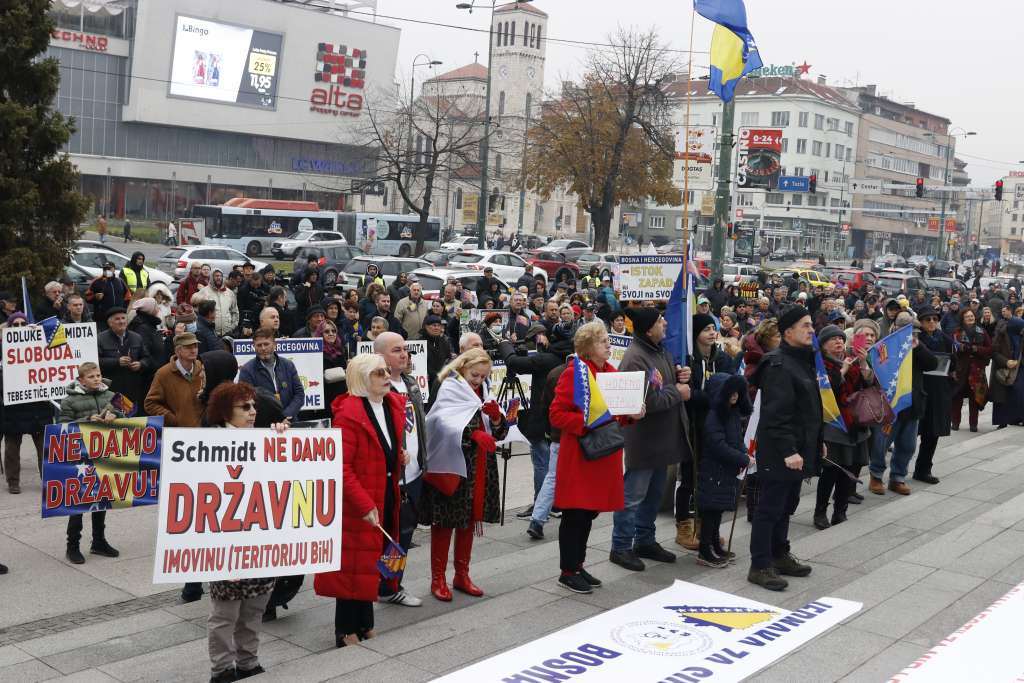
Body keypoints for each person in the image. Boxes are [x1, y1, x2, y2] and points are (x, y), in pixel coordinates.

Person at [314, 353, 406, 646]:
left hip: (384, 494)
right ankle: (346, 630)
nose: (386, 376)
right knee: (351, 566)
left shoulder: (391, 405)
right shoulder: (350, 413)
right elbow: (341, 467)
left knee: (370, 563)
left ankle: (366, 623)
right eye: (379, 373)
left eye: (386, 371)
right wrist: (364, 503)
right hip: (359, 502)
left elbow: (385, 448)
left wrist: (398, 458)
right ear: (363, 379)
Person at [549, 322, 643, 594]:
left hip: (603, 455)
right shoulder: (574, 374)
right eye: (602, 341)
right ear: (588, 347)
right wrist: (589, 421)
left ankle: (578, 565)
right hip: (581, 456)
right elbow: (557, 415)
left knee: (589, 514)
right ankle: (567, 571)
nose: (608, 344)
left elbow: (616, 413)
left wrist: (631, 414)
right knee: (575, 515)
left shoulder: (609, 372)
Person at [204, 381, 286, 682]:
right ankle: (223, 669)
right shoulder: (208, 443)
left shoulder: (265, 438)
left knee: (254, 609)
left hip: (260, 540)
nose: (253, 412)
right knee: (225, 614)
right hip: (226, 542)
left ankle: (248, 662)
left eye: (254, 406)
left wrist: (281, 442)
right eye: (245, 407)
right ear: (227, 411)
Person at [421, 349, 508, 601]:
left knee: (469, 520)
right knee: (445, 523)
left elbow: (499, 432)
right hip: (453, 466)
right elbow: (440, 422)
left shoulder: (485, 391)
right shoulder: (450, 388)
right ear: (463, 368)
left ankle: (462, 574)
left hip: (479, 466)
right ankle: (438, 578)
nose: (478, 380)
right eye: (474, 374)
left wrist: (497, 420)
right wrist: (472, 433)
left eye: (482, 376)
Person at [610, 308, 689, 571]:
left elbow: (662, 384)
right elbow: (647, 401)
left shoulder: (659, 350)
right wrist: (677, 392)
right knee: (633, 497)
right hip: (643, 441)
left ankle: (645, 540)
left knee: (654, 496)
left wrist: (679, 376)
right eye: (659, 321)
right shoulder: (636, 358)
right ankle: (620, 547)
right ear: (647, 329)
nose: (664, 323)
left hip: (662, 439)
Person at [748, 306, 820, 592]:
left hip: (798, 449)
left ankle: (780, 553)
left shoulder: (802, 360)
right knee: (769, 508)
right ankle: (760, 564)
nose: (811, 330)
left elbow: (808, 409)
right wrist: (790, 450)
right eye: (805, 325)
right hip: (781, 452)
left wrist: (817, 443)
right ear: (788, 331)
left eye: (811, 324)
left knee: (786, 506)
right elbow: (776, 416)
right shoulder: (778, 365)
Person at [374, 332, 427, 607]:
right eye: (396, 351)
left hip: (416, 472)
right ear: (380, 356)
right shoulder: (378, 389)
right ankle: (388, 586)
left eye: (405, 350)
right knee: (394, 533)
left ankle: (389, 582)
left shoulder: (410, 383)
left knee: (405, 533)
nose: (404, 355)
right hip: (395, 477)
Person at [57, 362, 123, 564]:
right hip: (80, 458)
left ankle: (99, 541)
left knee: (102, 498)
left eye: (98, 375)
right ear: (81, 380)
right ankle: (73, 546)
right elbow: (62, 427)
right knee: (78, 502)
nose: (96, 379)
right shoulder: (69, 401)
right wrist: (87, 419)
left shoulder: (111, 396)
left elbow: (128, 413)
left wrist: (116, 416)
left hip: (104, 454)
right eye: (91, 376)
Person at [868, 312, 938, 496]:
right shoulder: (887, 346)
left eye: (914, 332)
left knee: (908, 445)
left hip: (912, 404)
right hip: (890, 405)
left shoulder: (918, 347)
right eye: (907, 332)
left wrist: (918, 347)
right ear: (895, 329)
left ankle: (897, 477)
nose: (912, 335)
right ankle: (876, 475)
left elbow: (933, 363)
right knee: (881, 444)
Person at [813, 325, 873, 530]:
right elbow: (825, 390)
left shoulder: (852, 360)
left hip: (855, 423)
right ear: (823, 345)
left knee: (850, 470)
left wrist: (863, 362)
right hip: (834, 423)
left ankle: (841, 511)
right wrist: (843, 371)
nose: (839, 342)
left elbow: (868, 386)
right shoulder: (820, 365)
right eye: (833, 339)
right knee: (831, 471)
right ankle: (820, 512)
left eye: (841, 338)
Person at [677, 312, 724, 551]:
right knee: (689, 477)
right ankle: (683, 525)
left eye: (713, 328)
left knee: (707, 478)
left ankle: (703, 524)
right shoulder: (689, 362)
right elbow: (689, 395)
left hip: (714, 427)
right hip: (693, 426)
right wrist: (706, 397)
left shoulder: (719, 357)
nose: (712, 333)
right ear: (695, 334)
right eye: (706, 329)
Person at [697, 373, 753, 567]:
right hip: (714, 470)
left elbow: (736, 440)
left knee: (718, 509)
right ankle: (705, 548)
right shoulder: (715, 416)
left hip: (725, 470)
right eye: (731, 392)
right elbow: (717, 444)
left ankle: (714, 543)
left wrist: (745, 454)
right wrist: (742, 458)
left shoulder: (732, 414)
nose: (735, 395)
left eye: (738, 392)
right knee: (711, 511)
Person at [916, 307, 954, 485]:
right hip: (920, 388)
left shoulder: (945, 338)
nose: (931, 322)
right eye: (927, 319)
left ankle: (924, 469)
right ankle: (896, 472)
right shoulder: (916, 339)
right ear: (921, 322)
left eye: (934, 319)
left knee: (933, 433)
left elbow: (953, 362)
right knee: (910, 433)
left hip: (939, 390)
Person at [238, 328, 306, 421]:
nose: (263, 348)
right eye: (259, 345)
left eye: (266, 344)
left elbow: (299, 394)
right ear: (253, 346)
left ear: (274, 345)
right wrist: (277, 419)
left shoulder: (288, 365)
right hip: (263, 426)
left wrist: (286, 416)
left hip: (290, 422)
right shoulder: (247, 370)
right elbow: (246, 400)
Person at [96, 307, 152, 411]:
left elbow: (147, 358)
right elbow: (95, 362)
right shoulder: (100, 339)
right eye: (117, 319)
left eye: (123, 318)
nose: (121, 321)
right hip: (112, 390)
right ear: (110, 323)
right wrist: (117, 362)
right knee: (116, 421)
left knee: (132, 420)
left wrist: (141, 364)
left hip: (133, 388)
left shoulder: (137, 337)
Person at [951, 308, 992, 432]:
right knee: (957, 397)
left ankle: (973, 424)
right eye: (967, 316)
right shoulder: (957, 332)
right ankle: (955, 423)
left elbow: (990, 349)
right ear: (963, 319)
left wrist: (977, 349)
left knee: (975, 399)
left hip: (977, 371)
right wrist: (960, 348)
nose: (970, 318)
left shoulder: (982, 331)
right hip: (961, 370)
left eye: (972, 316)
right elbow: (951, 349)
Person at [989, 313, 1024, 429]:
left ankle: (1018, 418)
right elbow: (993, 352)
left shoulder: (1021, 335)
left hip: (1019, 368)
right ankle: (1002, 421)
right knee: (1001, 396)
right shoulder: (1001, 335)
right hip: (1002, 369)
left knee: (1019, 392)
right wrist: (1006, 362)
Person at [87, 261, 128, 329]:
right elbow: (87, 297)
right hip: (102, 319)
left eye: (109, 269)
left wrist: (123, 310)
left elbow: (127, 297)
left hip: (118, 317)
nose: (107, 271)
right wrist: (95, 297)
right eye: (105, 269)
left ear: (114, 269)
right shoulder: (96, 282)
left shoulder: (120, 281)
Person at [317, 320, 348, 410]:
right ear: (320, 334)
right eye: (327, 331)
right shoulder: (316, 352)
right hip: (325, 397)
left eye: (333, 331)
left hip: (341, 394)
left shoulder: (341, 349)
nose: (331, 334)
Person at [199, 269, 239, 336]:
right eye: (216, 276)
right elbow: (200, 313)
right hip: (210, 332)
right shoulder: (204, 291)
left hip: (228, 333)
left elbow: (235, 311)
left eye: (220, 276)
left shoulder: (230, 293)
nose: (219, 278)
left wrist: (232, 327)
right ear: (212, 277)